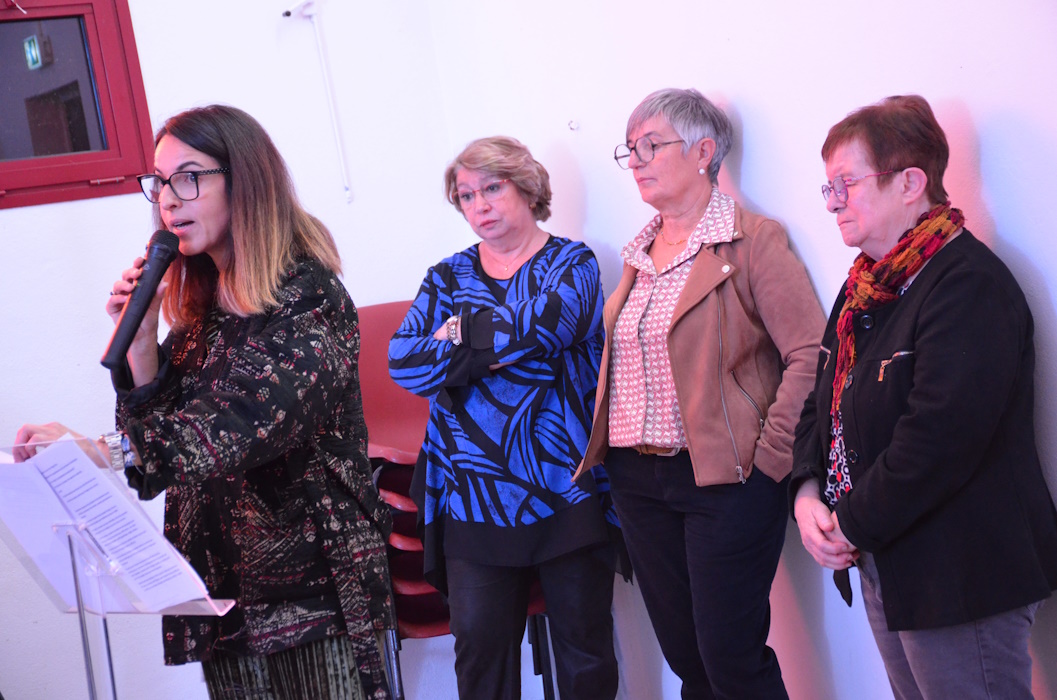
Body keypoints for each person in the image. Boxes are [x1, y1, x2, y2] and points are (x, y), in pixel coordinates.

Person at [14, 105, 395, 700]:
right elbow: (160, 455)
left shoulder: (307, 297)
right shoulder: (204, 316)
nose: (168, 199)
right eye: (160, 182)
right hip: (224, 592)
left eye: (189, 177)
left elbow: (236, 426)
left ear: (245, 180)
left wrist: (96, 449)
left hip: (313, 592)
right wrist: (142, 343)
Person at [790, 95, 1057, 699]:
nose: (833, 202)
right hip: (886, 555)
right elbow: (822, 400)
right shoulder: (864, 286)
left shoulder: (968, 284)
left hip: (962, 570)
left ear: (910, 183)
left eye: (846, 183)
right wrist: (807, 492)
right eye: (829, 187)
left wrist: (849, 523)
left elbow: (939, 439)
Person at [575, 87, 824, 699]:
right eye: (629, 150)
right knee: (688, 658)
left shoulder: (752, 240)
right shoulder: (639, 252)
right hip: (637, 479)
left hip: (724, 477)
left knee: (730, 657)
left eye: (650, 146)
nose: (636, 162)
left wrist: (770, 460)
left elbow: (810, 354)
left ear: (704, 151)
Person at [388, 136, 626, 700]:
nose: (480, 205)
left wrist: (455, 334)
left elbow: (553, 323)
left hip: (564, 484)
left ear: (526, 186)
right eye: (467, 196)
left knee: (584, 651)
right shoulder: (446, 277)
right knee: (481, 656)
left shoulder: (573, 262)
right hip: (473, 495)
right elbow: (403, 361)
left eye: (491, 187)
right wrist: (498, 343)